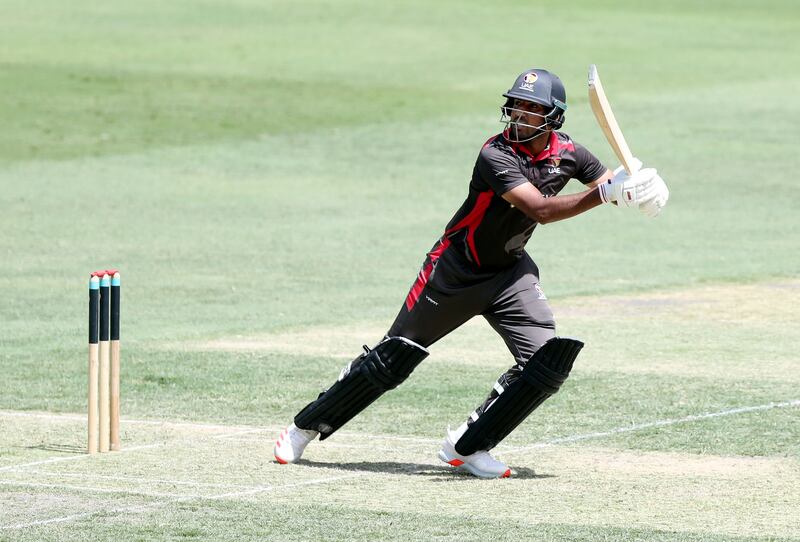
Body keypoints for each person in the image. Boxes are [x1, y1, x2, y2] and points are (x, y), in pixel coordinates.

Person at [273, 68, 668, 478]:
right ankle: (303, 428)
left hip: (510, 275)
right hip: (455, 271)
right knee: (393, 360)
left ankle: (468, 447)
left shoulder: (569, 152)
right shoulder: (495, 154)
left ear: (554, 117)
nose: (519, 115)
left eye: (532, 109)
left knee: (545, 364)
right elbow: (540, 210)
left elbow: (610, 184)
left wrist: (639, 186)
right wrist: (606, 194)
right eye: (516, 105)